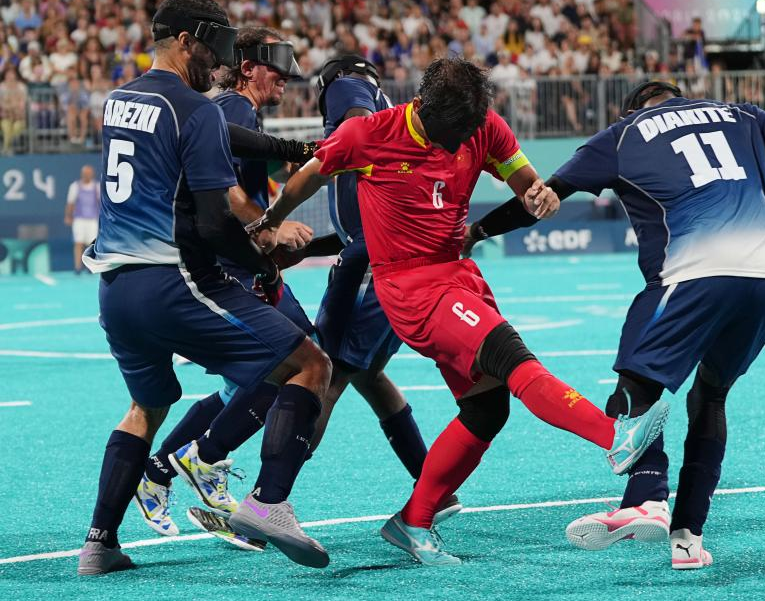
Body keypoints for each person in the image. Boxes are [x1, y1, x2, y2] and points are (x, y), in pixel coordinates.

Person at [250, 58, 670, 565]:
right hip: (410, 289)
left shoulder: (481, 123)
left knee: (487, 409)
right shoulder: (369, 134)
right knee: (511, 359)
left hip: (458, 276)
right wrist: (271, 220)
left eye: (466, 132)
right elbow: (311, 175)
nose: (457, 144)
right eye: (450, 134)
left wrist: (538, 197)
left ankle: (414, 521)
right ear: (422, 107)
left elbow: (525, 182)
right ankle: (613, 438)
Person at [463, 80, 765, 569]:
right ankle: (688, 539)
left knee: (633, 388)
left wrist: (476, 232)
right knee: (710, 395)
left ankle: (647, 497)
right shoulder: (741, 115)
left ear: (630, 111)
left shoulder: (624, 134)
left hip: (693, 273)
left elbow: (539, 200)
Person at [78, 0, 332, 576]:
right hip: (176, 281)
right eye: (214, 47)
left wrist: (290, 150)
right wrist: (263, 262)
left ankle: (99, 543)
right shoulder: (195, 109)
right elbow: (216, 221)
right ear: (187, 39)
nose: (219, 62)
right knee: (310, 365)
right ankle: (267, 503)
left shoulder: (119, 100)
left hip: (114, 290)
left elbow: (215, 140)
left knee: (146, 407)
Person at [132, 26, 321, 549]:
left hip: (233, 264)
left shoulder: (238, 110)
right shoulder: (235, 107)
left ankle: (164, 469)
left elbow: (250, 167)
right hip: (230, 267)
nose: (285, 79)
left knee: (255, 380)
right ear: (249, 67)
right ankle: (199, 461)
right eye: (277, 68)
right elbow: (228, 188)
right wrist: (267, 226)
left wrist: (284, 167)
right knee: (293, 365)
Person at [311, 54, 461, 519]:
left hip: (375, 271)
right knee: (368, 377)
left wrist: (340, 146)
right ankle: (434, 488)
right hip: (393, 263)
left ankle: (268, 498)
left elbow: (356, 121)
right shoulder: (396, 117)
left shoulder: (346, 88)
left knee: (324, 377)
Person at [65, 165, 100, 274]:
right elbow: (70, 203)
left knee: (91, 244)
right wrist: (68, 216)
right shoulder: (75, 186)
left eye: (89, 173)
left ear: (92, 174)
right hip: (79, 219)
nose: (87, 175)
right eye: (85, 173)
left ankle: (90, 266)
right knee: (78, 243)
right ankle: (78, 267)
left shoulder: (97, 187)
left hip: (92, 219)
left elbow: (100, 203)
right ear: (82, 174)